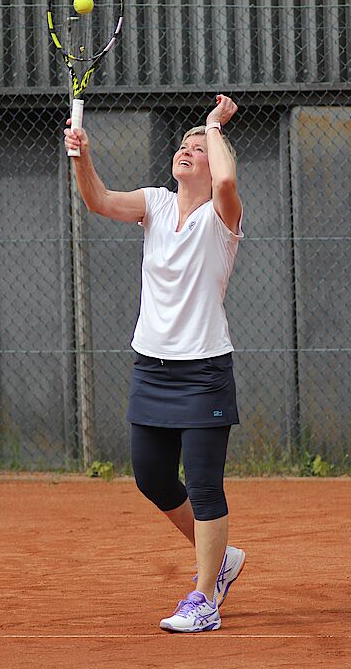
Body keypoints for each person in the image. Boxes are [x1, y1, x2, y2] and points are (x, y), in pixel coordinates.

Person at [64, 94, 245, 633]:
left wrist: (214, 125)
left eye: (199, 148)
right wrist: (82, 156)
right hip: (152, 368)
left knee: (205, 486)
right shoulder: (155, 203)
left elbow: (227, 180)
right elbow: (98, 200)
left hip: (204, 371)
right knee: (151, 476)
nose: (187, 150)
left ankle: (204, 597)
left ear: (215, 159)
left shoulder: (222, 215)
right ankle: (223, 559)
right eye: (184, 144)